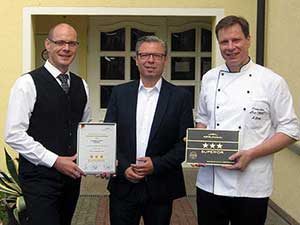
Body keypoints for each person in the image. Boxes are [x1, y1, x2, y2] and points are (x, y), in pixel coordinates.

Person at [195, 15, 300, 225]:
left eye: (236, 40)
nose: (230, 47)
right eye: (224, 42)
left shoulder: (271, 81)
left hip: (252, 184)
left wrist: (251, 154)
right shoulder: (209, 78)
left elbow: (290, 130)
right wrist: (200, 147)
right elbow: (203, 117)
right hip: (210, 182)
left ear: (248, 39)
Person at [5, 23, 90, 225]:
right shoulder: (27, 83)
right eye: (60, 42)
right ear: (48, 45)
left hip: (71, 179)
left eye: (71, 43)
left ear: (76, 47)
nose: (66, 48)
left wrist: (98, 160)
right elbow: (14, 134)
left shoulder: (82, 85)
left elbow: (85, 130)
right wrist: (54, 160)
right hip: (39, 179)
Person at [104, 35, 194, 225]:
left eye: (157, 55)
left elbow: (184, 144)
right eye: (145, 55)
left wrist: (156, 164)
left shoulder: (181, 97)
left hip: (161, 186)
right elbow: (108, 137)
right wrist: (124, 168)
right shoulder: (119, 93)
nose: (150, 60)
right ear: (136, 59)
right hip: (124, 185)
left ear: (165, 60)